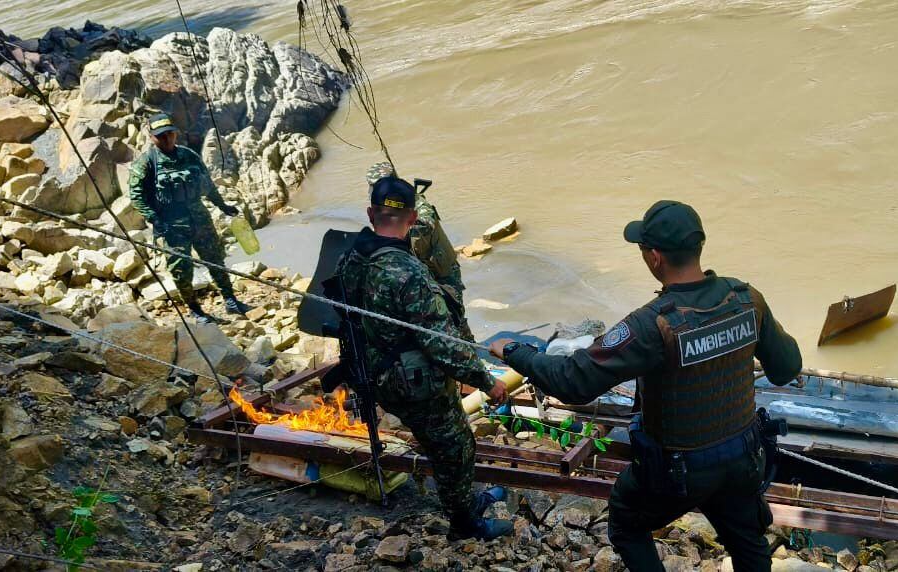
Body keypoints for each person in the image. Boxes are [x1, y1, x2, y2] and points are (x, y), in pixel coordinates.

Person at [489, 200, 804, 572]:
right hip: (743, 458)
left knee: (627, 523)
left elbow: (573, 382)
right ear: (699, 245)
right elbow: (787, 368)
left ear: (654, 257)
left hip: (677, 472)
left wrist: (515, 351)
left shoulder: (651, 325)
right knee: (748, 541)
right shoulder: (746, 299)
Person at [333, 173, 512, 540]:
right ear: (413, 219)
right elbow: (443, 345)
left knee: (441, 442)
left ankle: (465, 502)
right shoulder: (410, 273)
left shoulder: (351, 258)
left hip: (373, 373)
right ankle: (464, 524)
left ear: (370, 213)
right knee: (456, 449)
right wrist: (487, 382)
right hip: (411, 383)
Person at [128, 113, 251, 323]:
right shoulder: (147, 162)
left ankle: (231, 300)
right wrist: (154, 218)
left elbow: (207, 185)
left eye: (170, 134)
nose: (167, 139)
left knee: (215, 259)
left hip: (200, 218)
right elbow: (136, 195)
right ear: (151, 137)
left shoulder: (188, 155)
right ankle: (195, 310)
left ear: (175, 133)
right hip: (172, 226)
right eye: (161, 136)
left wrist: (222, 205)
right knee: (181, 269)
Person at [365, 161, 473, 338]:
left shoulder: (417, 204)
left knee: (454, 315)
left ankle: (469, 347)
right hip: (420, 272)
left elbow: (426, 222)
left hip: (442, 271)